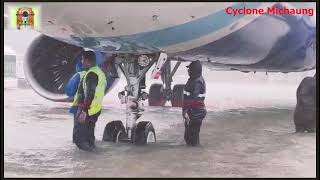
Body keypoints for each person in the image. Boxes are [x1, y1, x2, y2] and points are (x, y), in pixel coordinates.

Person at [73, 50, 107, 151]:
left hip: (87, 110)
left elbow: (90, 93)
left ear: (88, 61)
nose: (81, 62)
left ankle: (88, 158)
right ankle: (93, 159)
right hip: (94, 110)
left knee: (79, 139)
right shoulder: (99, 72)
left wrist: (84, 111)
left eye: (83, 60)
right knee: (89, 138)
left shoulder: (92, 74)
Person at [182, 60, 207, 146]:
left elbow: (193, 98)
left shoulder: (197, 81)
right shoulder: (195, 79)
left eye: (190, 69)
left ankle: (195, 155)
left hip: (195, 112)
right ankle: (193, 154)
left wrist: (186, 112)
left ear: (194, 70)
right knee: (190, 137)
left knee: (192, 137)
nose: (188, 70)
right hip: (194, 111)